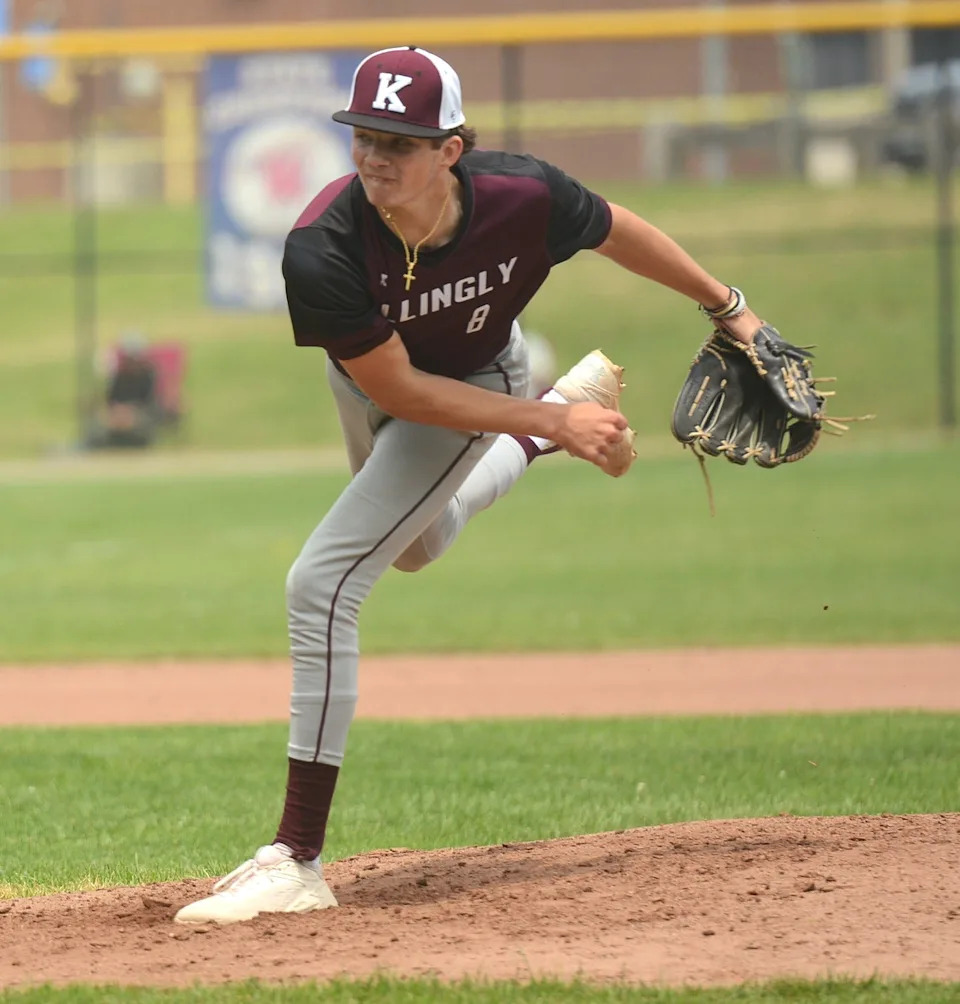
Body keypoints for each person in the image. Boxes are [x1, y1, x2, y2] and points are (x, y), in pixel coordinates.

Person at [174, 46, 766, 925]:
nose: (375, 157)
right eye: (364, 136)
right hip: (378, 386)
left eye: (400, 142)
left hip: (484, 380)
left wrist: (731, 307)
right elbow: (399, 391)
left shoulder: (522, 198)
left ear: (451, 149)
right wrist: (555, 424)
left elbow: (615, 228)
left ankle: (296, 858)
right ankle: (558, 412)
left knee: (323, 581)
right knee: (415, 545)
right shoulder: (322, 248)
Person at [86, 333, 160, 450]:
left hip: (140, 415)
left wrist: (130, 412)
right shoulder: (119, 376)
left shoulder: (148, 375)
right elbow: (111, 400)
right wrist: (118, 412)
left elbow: (149, 401)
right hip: (117, 415)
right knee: (96, 424)